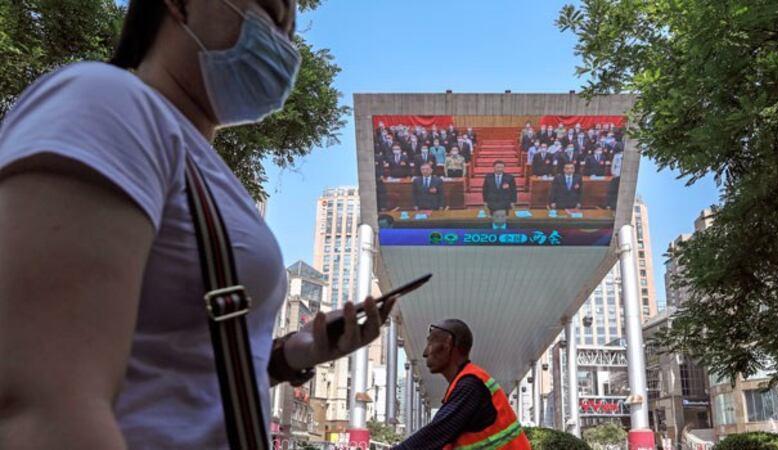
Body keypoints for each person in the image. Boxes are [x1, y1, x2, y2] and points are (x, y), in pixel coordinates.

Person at [0, 1, 396, 449]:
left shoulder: (204, 168)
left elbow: (179, 376)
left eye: (289, 30)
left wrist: (292, 355)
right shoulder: (105, 102)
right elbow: (42, 404)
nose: (282, 45)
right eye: (269, 11)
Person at [392, 320, 530, 450]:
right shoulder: (466, 384)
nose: (425, 353)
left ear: (448, 343)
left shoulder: (470, 385)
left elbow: (433, 435)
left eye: (430, 343)